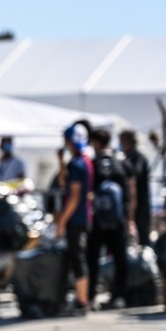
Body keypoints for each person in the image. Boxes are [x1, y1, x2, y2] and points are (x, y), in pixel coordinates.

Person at [87, 128, 132, 310]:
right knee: (120, 258)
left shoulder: (93, 162)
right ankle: (119, 296)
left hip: (97, 220)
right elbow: (131, 191)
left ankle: (90, 296)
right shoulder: (121, 162)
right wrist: (129, 218)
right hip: (118, 219)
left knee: (92, 258)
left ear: (96, 142)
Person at [54, 123, 94, 315]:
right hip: (82, 217)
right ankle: (80, 298)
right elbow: (63, 182)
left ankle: (82, 301)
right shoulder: (83, 161)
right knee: (76, 257)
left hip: (76, 219)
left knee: (77, 258)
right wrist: (61, 161)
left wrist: (62, 220)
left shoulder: (79, 164)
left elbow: (74, 196)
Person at [118, 129, 150, 245]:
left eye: (122, 141)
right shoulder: (127, 157)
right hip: (130, 204)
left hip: (140, 204)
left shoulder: (138, 157)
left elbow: (135, 174)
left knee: (141, 237)